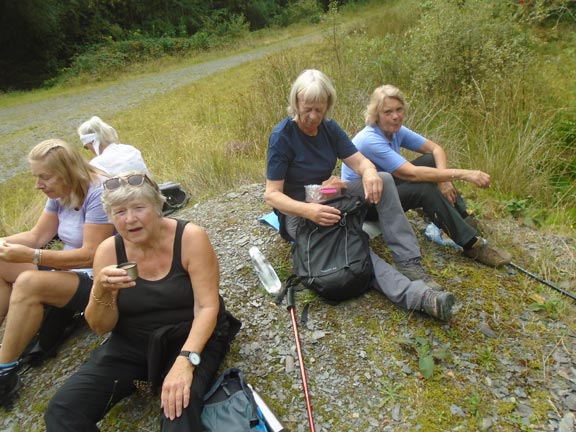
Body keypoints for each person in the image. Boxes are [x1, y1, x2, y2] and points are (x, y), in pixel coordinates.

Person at [44, 172, 240, 431]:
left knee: (178, 413)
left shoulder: (190, 237)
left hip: (189, 333)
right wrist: (101, 290)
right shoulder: (108, 251)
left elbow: (207, 306)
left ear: (158, 206)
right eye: (119, 212)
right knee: (62, 410)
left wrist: (184, 361)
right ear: (111, 217)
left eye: (139, 207)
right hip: (131, 341)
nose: (130, 219)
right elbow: (102, 326)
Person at [265, 69, 455, 321]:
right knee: (350, 243)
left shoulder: (328, 129)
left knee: (384, 180)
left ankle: (408, 260)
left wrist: (369, 173)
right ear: (295, 102)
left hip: (326, 194)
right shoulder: (282, 137)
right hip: (297, 212)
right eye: (307, 108)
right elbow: (272, 195)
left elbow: (359, 161)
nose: (312, 116)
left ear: (328, 106)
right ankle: (418, 296)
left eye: (319, 110)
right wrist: (309, 210)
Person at [341, 85, 512, 267]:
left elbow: (435, 149)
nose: (395, 116)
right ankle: (472, 245)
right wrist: (464, 174)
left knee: (430, 161)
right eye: (388, 112)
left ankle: (463, 219)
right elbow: (411, 174)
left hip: (385, 188)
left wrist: (444, 180)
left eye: (399, 110)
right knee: (423, 188)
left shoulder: (395, 129)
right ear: (376, 114)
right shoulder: (370, 139)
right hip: (365, 204)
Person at [0, 139, 114, 406]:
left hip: (100, 280)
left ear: (67, 171)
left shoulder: (98, 193)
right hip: (69, 270)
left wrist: (32, 256)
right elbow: (37, 235)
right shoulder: (61, 193)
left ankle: (4, 372)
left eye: (45, 177)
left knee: (28, 282)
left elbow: (91, 254)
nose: (38, 184)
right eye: (36, 177)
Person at [77, 115, 149, 175]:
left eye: (86, 147)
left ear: (92, 142)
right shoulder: (130, 149)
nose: (89, 150)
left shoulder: (96, 164)